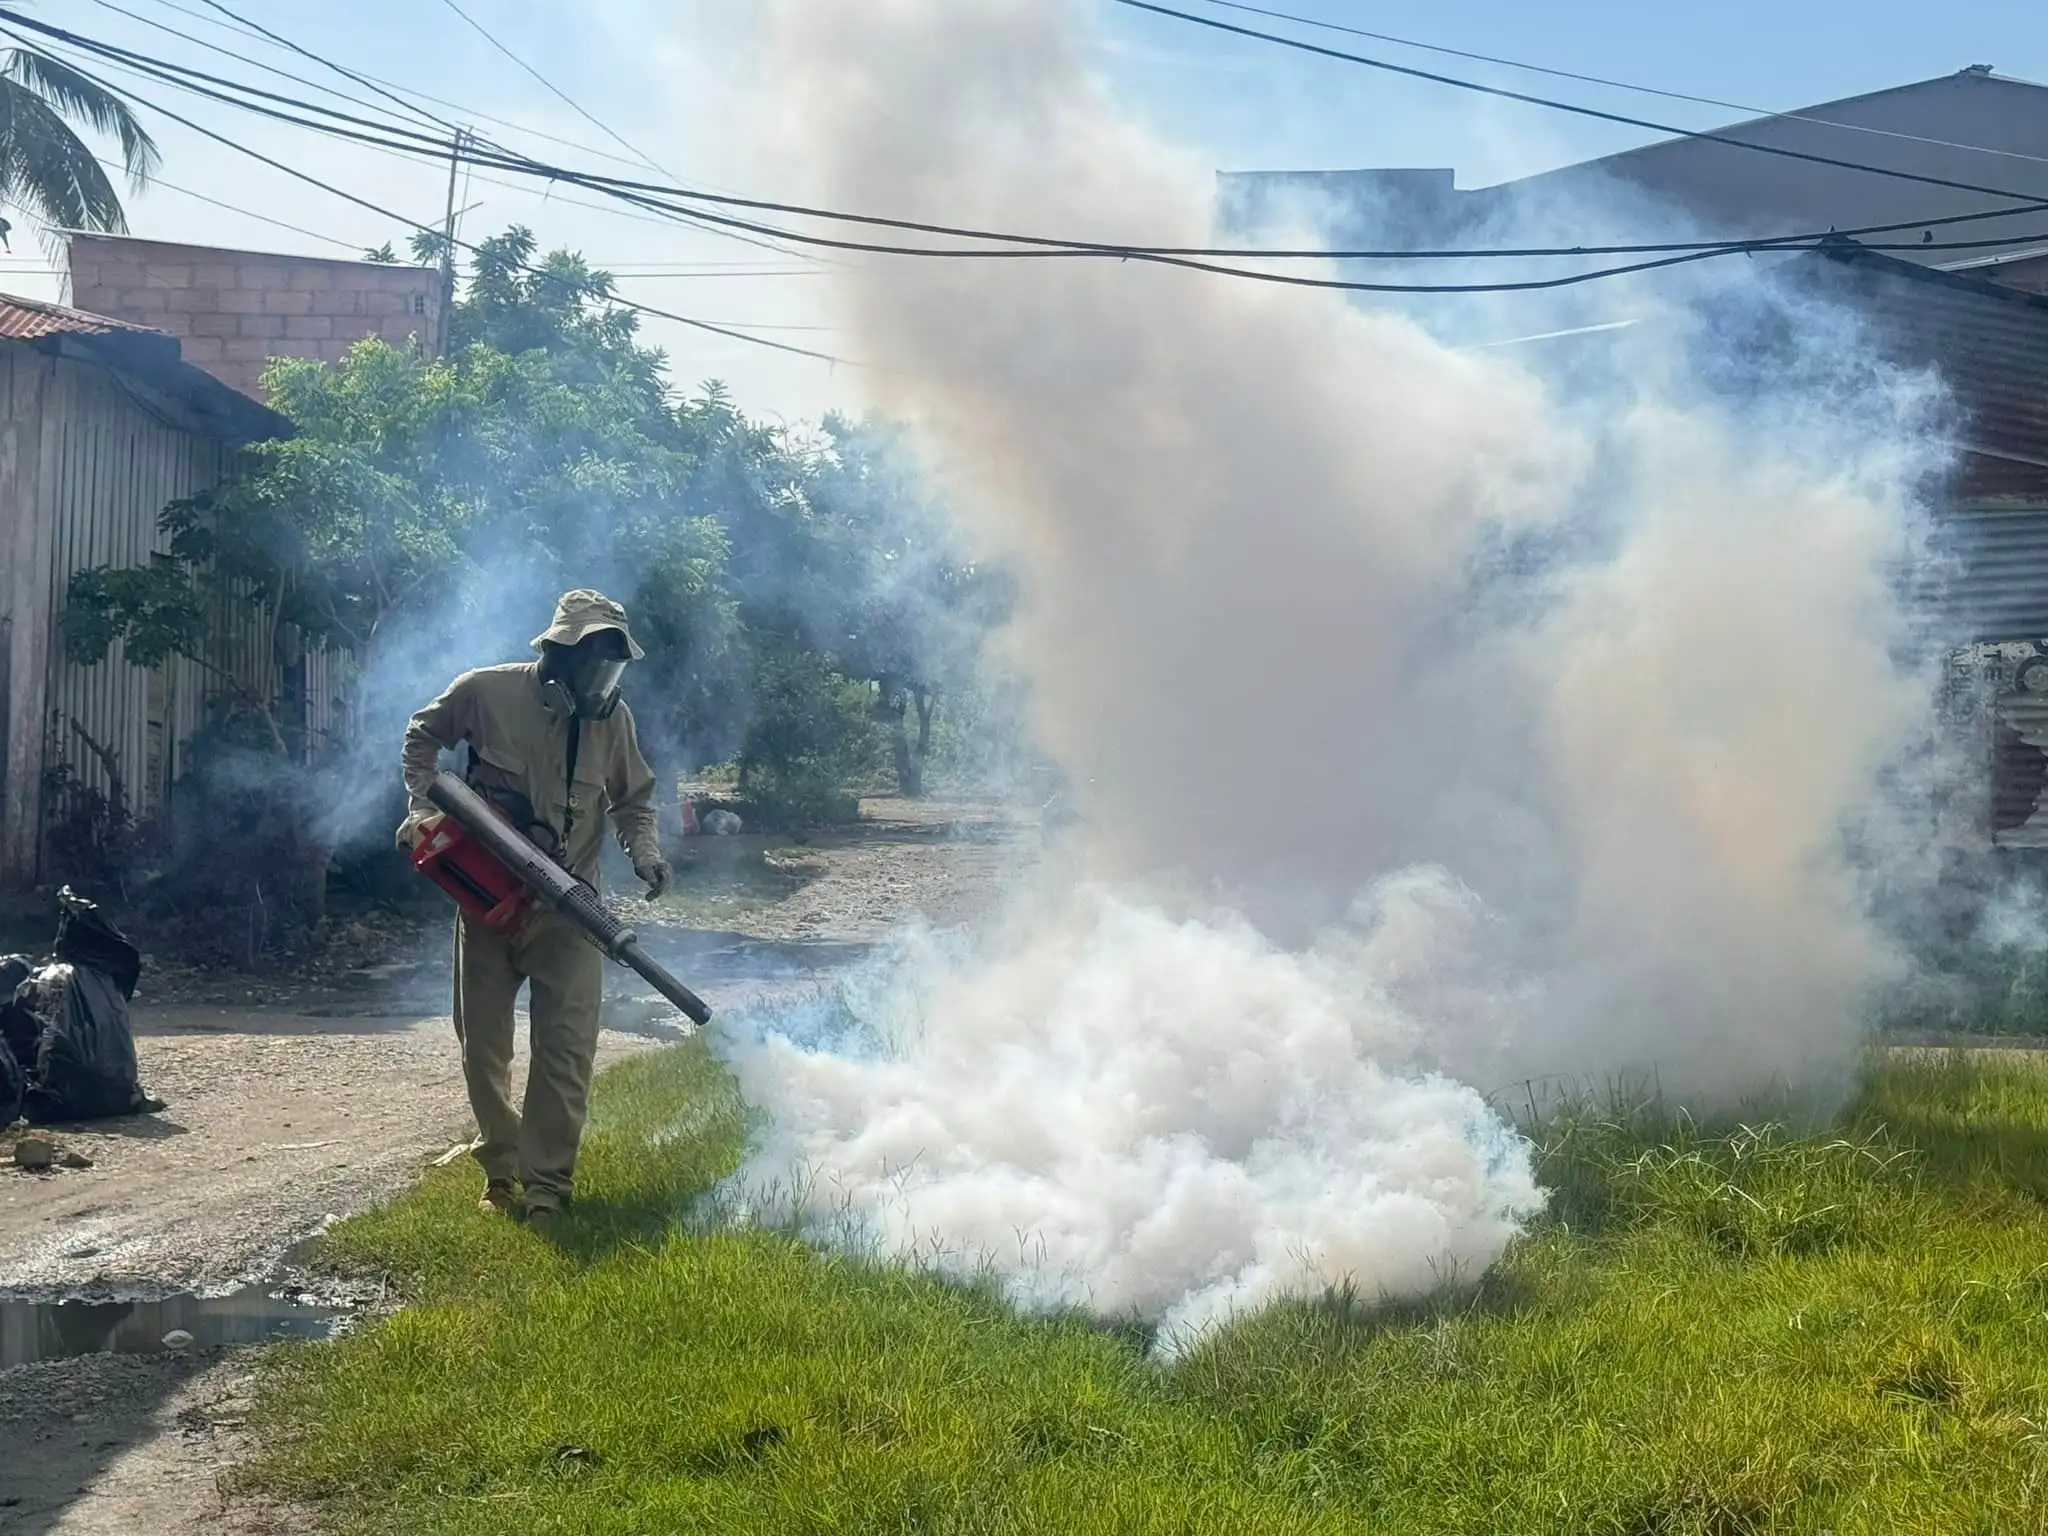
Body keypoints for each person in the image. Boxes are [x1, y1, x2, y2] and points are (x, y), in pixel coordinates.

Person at [399, 589, 672, 1232]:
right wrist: (422, 814)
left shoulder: (616, 721)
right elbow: (422, 738)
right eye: (591, 663)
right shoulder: (485, 692)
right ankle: (500, 1172)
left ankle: (548, 1187)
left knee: (566, 1051)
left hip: (572, 910)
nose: (602, 681)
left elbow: (634, 799)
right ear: (555, 656)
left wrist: (647, 855)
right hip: (489, 900)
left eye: (613, 667)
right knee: (484, 1047)